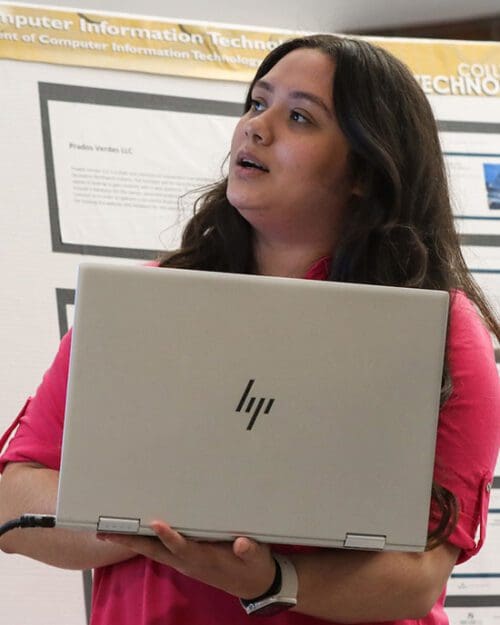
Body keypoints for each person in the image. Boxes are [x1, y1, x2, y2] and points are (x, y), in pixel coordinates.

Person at [0, 33, 499, 625]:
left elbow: (417, 579)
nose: (256, 128)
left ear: (365, 170)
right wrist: (152, 525)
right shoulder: (146, 303)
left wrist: (272, 580)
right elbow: (14, 502)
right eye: (256, 104)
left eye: (298, 117)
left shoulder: (440, 330)